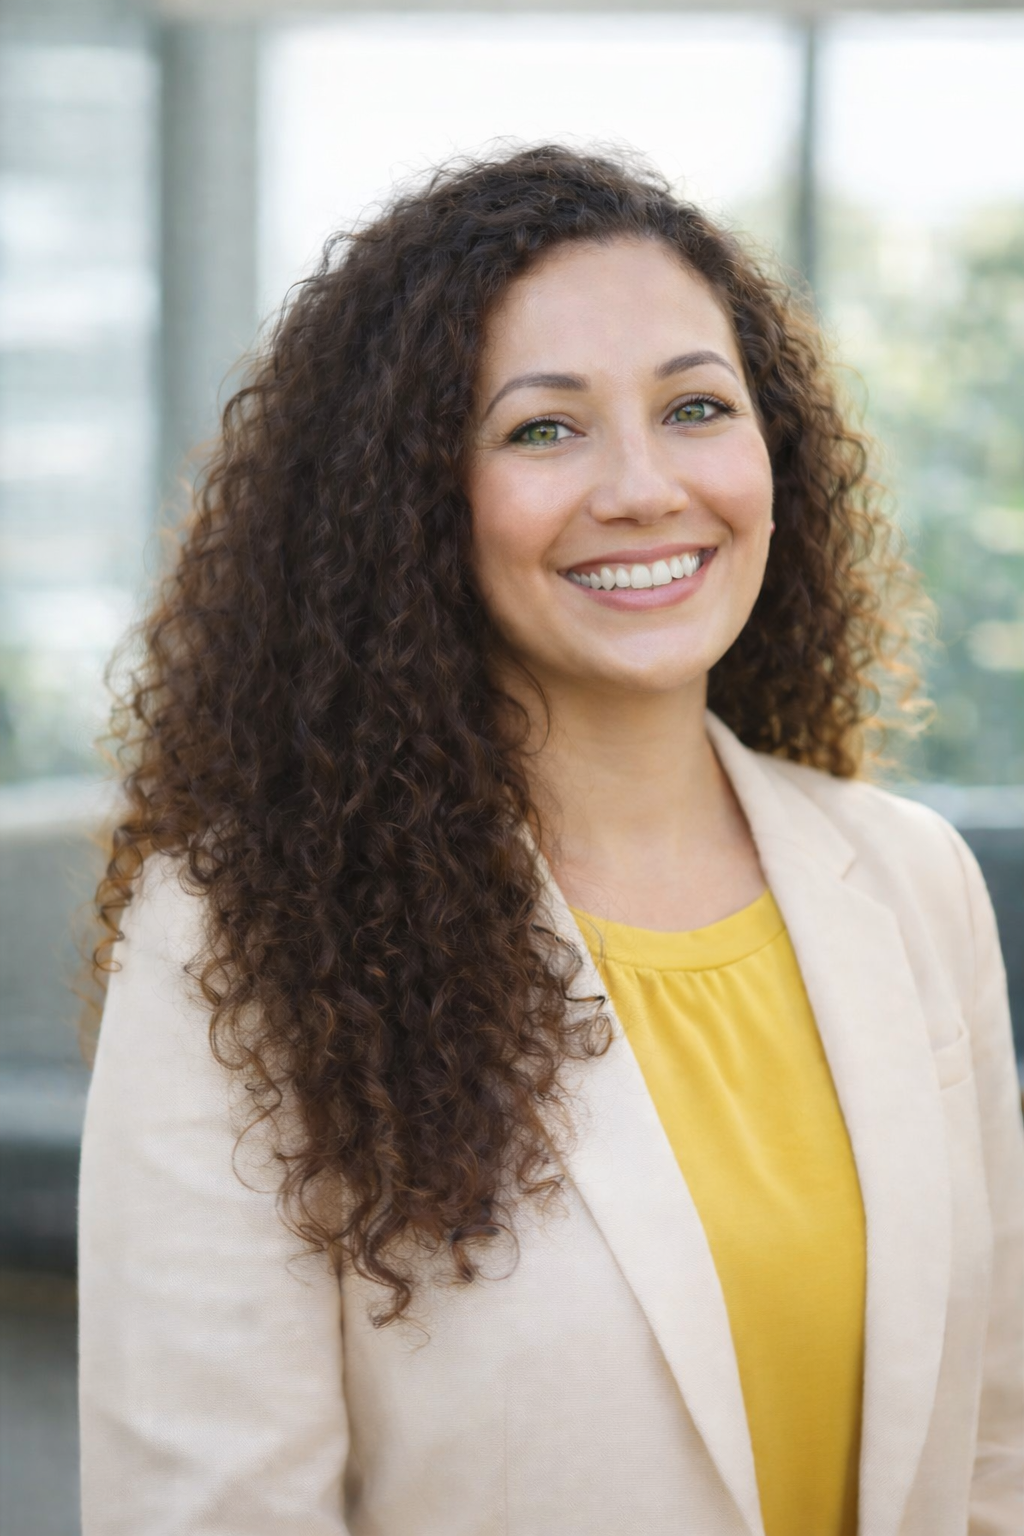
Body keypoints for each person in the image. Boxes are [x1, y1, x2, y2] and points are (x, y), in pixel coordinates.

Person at [77, 145, 1024, 1536]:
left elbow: (995, 1446)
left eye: (697, 407)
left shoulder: (910, 877)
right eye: (543, 429)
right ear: (413, 503)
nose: (644, 489)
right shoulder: (241, 932)